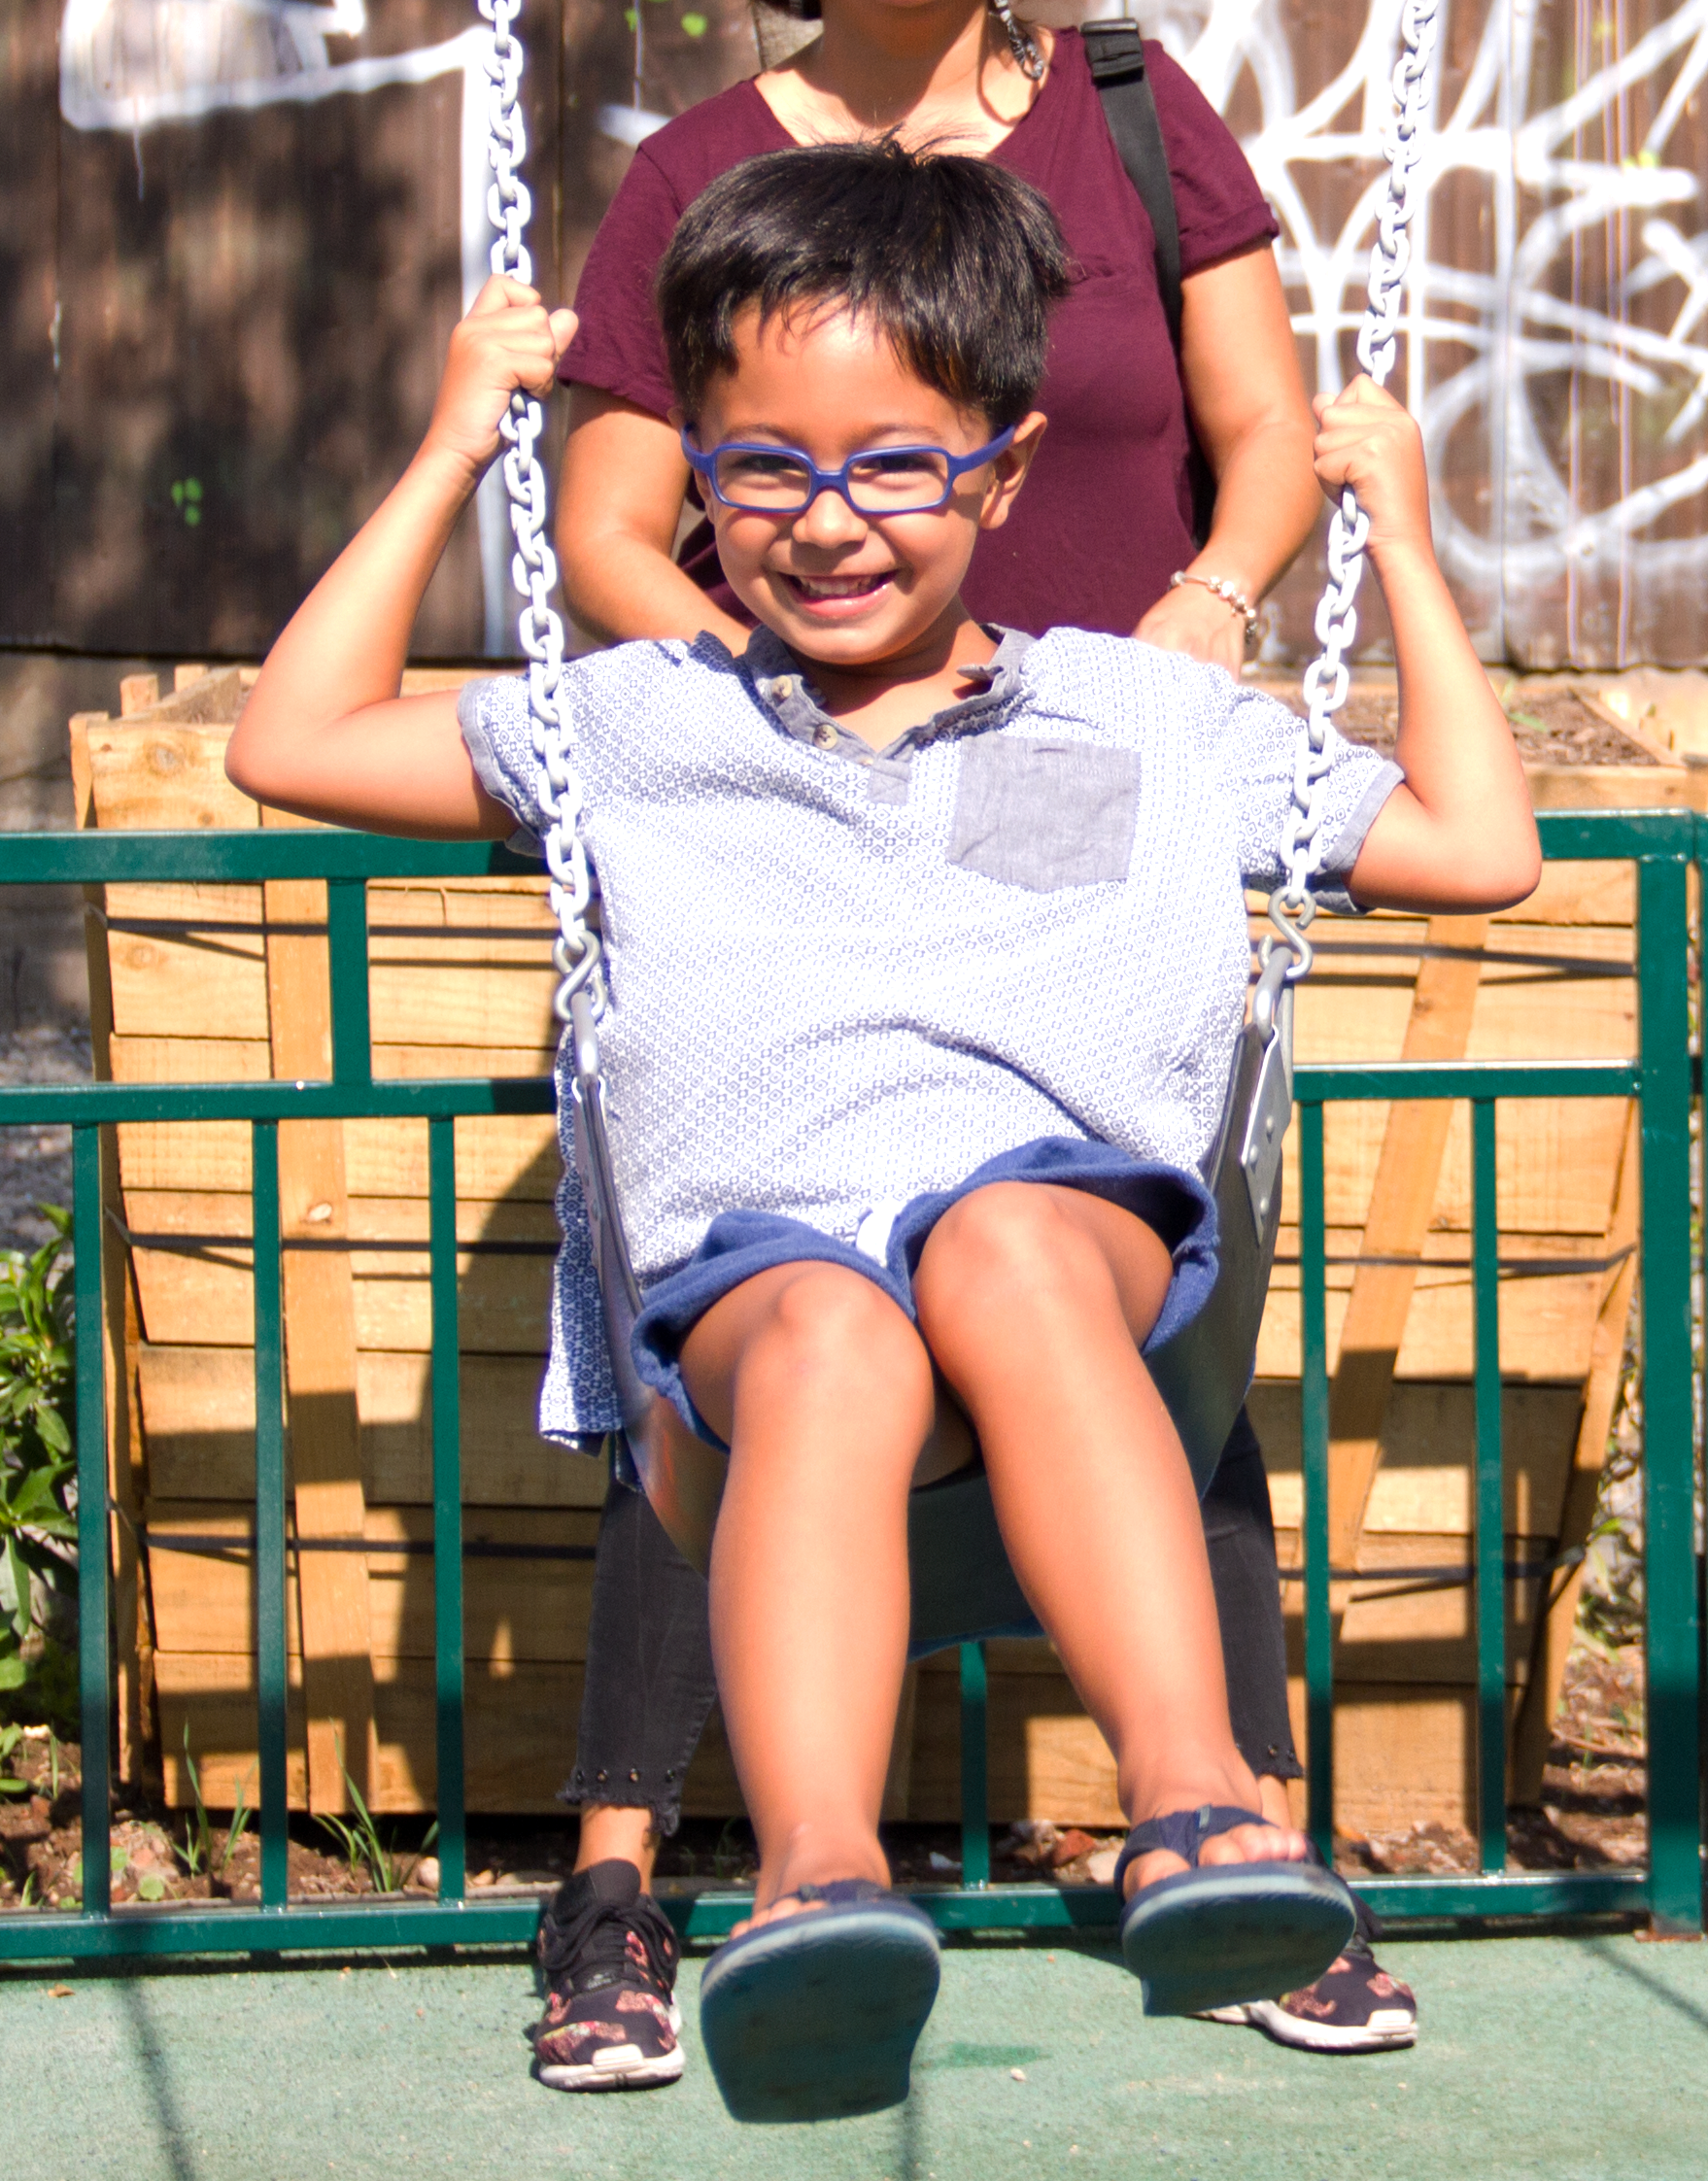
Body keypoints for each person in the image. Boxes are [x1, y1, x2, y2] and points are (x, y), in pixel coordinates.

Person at [222, 141, 1537, 2122]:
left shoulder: (1144, 722)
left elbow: (1481, 850)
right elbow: (289, 741)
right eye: (764, 467)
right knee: (838, 1330)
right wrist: (445, 454)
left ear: (1000, 471)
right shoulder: (639, 723)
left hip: (1065, 1253)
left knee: (997, 1246)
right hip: (770, 1291)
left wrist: (1405, 549)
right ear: (702, 483)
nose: (829, 525)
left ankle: (1201, 1812)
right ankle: (815, 1886)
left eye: (895, 464)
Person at [520, 0, 1424, 2089]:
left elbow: (1264, 446)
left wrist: (1190, 645)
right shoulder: (702, 168)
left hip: (1092, 752)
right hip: (817, 769)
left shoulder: (1129, 119)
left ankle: (1232, 1838)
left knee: (1092, 1268)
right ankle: (624, 1879)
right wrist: (803, 680)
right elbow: (615, 520)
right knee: (761, 1264)